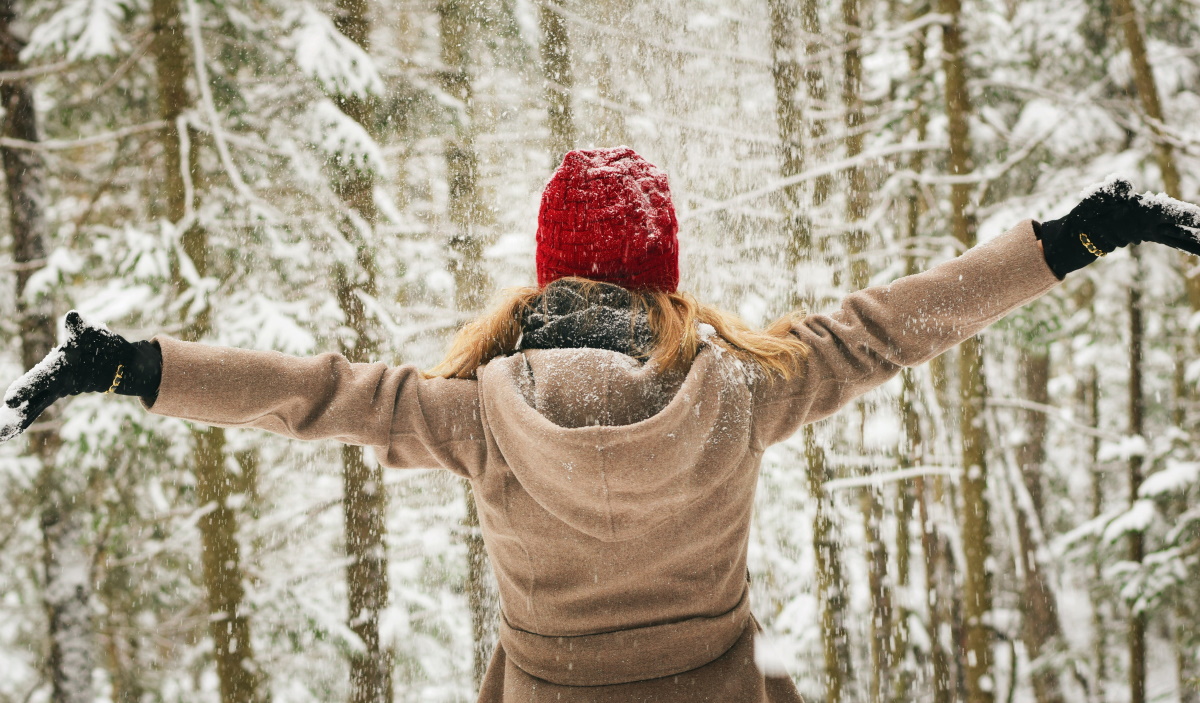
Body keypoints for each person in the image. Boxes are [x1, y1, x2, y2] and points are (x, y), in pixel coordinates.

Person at [3, 147, 1199, 702]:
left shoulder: (477, 417)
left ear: (545, 279)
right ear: (661, 279)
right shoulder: (743, 390)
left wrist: (129, 364)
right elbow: (896, 325)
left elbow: (310, 394)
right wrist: (1077, 235)